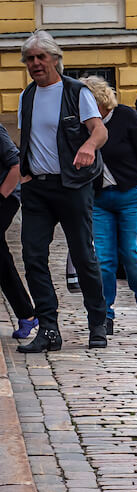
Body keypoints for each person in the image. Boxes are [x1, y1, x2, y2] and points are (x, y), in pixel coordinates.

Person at [15, 30, 109, 353]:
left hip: (73, 186)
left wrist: (88, 146)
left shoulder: (76, 92)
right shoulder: (26, 97)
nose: (36, 63)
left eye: (41, 57)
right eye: (30, 59)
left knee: (83, 256)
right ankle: (49, 329)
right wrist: (24, 174)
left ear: (56, 58)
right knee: (32, 256)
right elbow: (25, 139)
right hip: (37, 190)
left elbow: (100, 130)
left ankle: (98, 322)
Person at [82, 75, 137, 335]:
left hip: (131, 193)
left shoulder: (126, 117)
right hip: (99, 199)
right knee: (104, 259)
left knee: (131, 253)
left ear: (99, 102)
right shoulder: (80, 125)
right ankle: (104, 315)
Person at [0, 123, 36, 339]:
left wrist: (1, 196)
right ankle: (27, 315)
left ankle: (27, 315)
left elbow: (16, 166)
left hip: (6, 197)